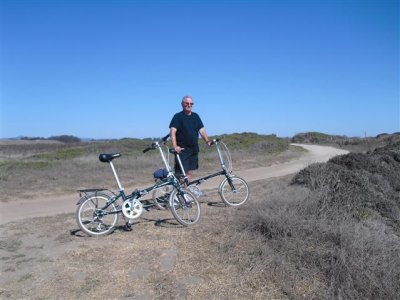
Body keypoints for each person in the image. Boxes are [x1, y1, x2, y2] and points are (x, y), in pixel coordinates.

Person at [169, 95, 211, 182]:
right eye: (187, 103)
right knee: (181, 173)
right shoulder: (178, 116)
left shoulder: (196, 116)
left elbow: (202, 130)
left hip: (193, 149)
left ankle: (185, 191)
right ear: (182, 104)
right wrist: (175, 146)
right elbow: (172, 132)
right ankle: (179, 192)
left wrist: (207, 141)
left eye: (191, 103)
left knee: (190, 172)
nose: (189, 105)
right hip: (182, 150)